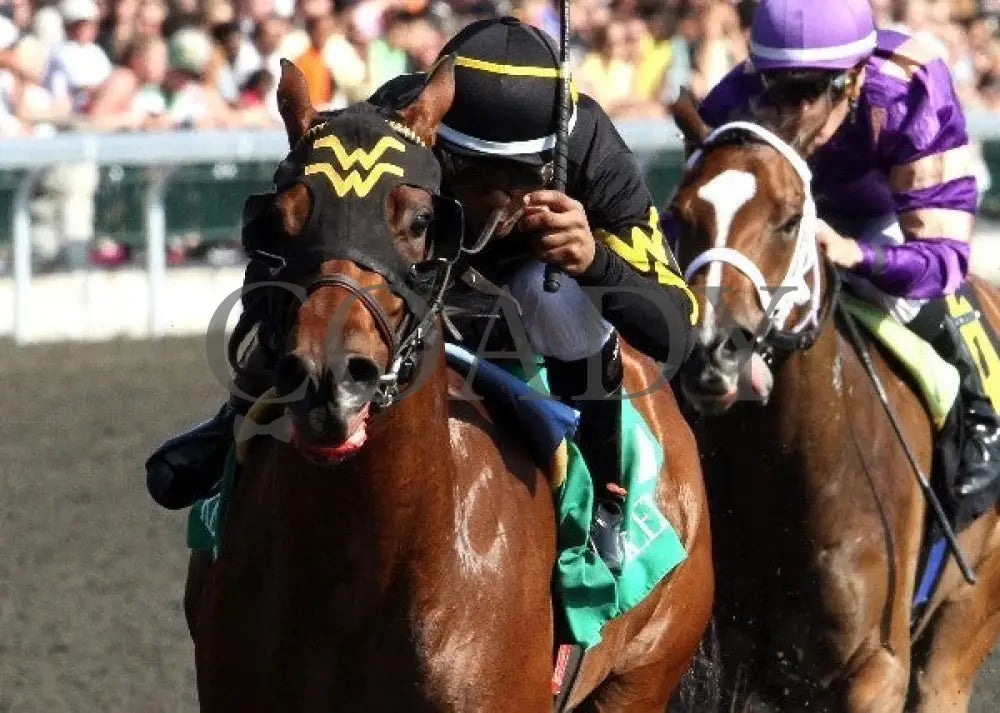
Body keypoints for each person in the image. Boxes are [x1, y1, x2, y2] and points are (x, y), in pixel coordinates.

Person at [146, 17, 698, 572]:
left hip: (532, 295)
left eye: (520, 181)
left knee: (556, 299)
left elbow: (678, 326)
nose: (499, 205)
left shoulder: (596, 155)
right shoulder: (397, 120)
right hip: (428, 281)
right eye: (475, 180)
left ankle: (606, 491)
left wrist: (595, 261)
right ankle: (236, 416)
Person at [692, 0, 1000, 520]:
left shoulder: (909, 91)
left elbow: (943, 259)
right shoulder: (734, 100)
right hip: (780, 221)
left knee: (922, 300)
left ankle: (981, 412)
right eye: (776, 88)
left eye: (806, 92)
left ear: (854, 80)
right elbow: (696, 228)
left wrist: (855, 253)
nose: (785, 111)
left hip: (886, 215)